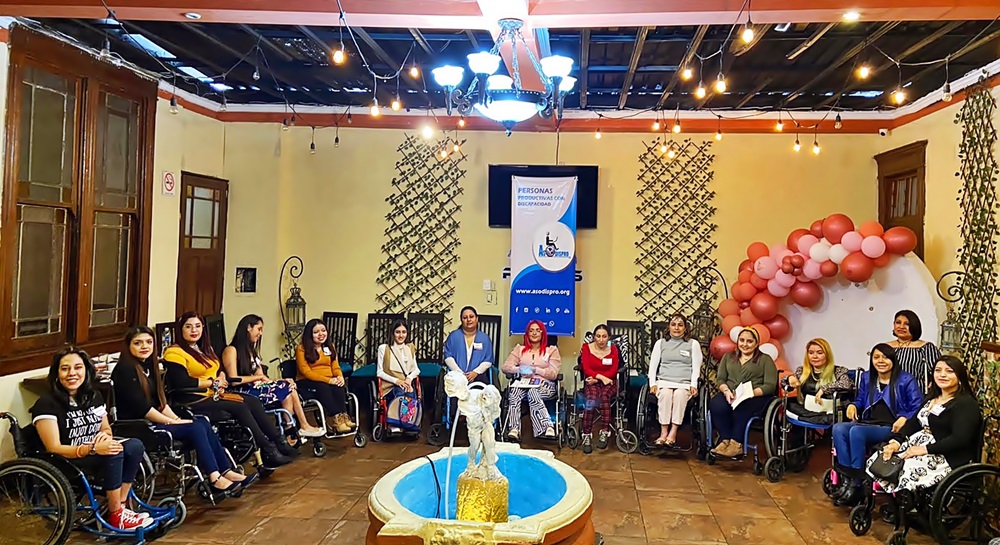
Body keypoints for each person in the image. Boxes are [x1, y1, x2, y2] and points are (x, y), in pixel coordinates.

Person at [112, 326, 252, 500]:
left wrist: (176, 419)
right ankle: (214, 478)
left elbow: (160, 403)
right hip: (139, 426)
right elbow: (143, 408)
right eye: (138, 343)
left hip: (155, 420)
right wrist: (172, 423)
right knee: (195, 428)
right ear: (128, 346)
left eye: (149, 342)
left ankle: (226, 471)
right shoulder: (125, 370)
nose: (144, 347)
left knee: (201, 422)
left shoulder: (149, 367)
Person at [31, 348, 153, 530]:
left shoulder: (93, 396)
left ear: (86, 371)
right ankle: (115, 515)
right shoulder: (46, 404)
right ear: (56, 374)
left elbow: (105, 428)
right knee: (113, 453)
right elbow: (54, 447)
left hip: (94, 451)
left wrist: (105, 435)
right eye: (65, 369)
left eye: (78, 368)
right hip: (68, 459)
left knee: (134, 446)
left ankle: (121, 506)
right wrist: (93, 449)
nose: (72, 373)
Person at [163, 312, 294, 467]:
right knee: (239, 405)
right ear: (181, 329)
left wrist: (221, 377)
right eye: (188, 327)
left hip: (215, 394)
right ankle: (267, 449)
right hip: (193, 399)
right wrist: (211, 383)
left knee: (252, 401)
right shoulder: (174, 352)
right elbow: (182, 382)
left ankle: (279, 442)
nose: (194, 330)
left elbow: (218, 368)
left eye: (198, 326)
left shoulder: (204, 348)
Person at [869, 355, 981, 493]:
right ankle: (896, 503)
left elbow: (959, 439)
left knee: (907, 468)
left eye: (949, 371)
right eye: (938, 370)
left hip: (944, 454)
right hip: (916, 445)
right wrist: (896, 442)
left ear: (960, 377)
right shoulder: (932, 398)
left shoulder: (965, 404)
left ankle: (906, 505)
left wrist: (924, 449)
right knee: (880, 459)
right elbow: (914, 423)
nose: (942, 375)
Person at [831, 343, 922, 506]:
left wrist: (905, 417)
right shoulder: (867, 377)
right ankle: (847, 480)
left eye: (885, 357)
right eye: (876, 357)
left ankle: (857, 484)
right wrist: (853, 405)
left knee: (856, 432)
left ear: (893, 359)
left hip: (891, 427)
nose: (881, 361)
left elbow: (918, 406)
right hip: (868, 422)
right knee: (838, 428)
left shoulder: (906, 380)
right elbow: (860, 399)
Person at [221, 314, 324, 438]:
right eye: (259, 329)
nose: (260, 334)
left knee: (289, 386)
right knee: (287, 390)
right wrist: (258, 378)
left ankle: (294, 428)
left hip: (254, 387)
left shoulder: (250, 350)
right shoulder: (231, 350)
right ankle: (294, 428)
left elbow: (261, 376)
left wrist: (279, 381)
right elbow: (234, 380)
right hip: (240, 391)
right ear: (249, 327)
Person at [709, 327, 778, 458]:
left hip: (755, 396)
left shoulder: (765, 360)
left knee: (742, 408)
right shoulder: (728, 357)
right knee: (716, 405)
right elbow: (721, 379)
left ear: (756, 343)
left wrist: (750, 393)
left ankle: (736, 444)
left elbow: (770, 385)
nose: (745, 344)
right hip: (731, 393)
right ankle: (725, 440)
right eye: (742, 340)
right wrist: (726, 391)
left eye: (749, 341)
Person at [646, 314, 702, 446]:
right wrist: (652, 384)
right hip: (664, 381)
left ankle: (673, 432)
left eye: (680, 325)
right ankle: (663, 432)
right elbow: (653, 367)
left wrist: (694, 385)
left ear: (685, 328)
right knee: (665, 394)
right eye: (673, 324)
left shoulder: (693, 344)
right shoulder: (660, 343)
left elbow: (696, 367)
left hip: (684, 383)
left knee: (679, 395)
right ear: (669, 327)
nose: (676, 328)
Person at [501, 320, 561, 441]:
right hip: (524, 383)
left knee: (533, 392)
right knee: (514, 392)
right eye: (531, 330)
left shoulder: (551, 351)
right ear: (527, 333)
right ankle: (514, 429)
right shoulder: (519, 350)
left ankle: (548, 426)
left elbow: (553, 374)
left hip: (545, 385)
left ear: (543, 333)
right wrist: (521, 370)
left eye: (537, 330)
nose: (534, 333)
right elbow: (505, 367)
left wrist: (536, 370)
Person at [296, 318, 357, 434]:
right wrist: (328, 380)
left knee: (339, 386)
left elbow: (335, 366)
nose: (321, 334)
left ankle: (343, 417)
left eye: (323, 330)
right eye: (316, 332)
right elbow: (305, 371)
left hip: (329, 380)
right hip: (307, 381)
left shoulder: (330, 346)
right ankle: (336, 418)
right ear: (310, 335)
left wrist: (339, 377)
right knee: (323, 386)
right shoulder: (302, 348)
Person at [784, 338, 853, 423]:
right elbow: (784, 384)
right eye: (811, 353)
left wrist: (824, 389)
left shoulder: (838, 370)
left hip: (830, 410)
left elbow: (846, 384)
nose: (815, 356)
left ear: (827, 355)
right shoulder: (801, 371)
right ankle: (818, 419)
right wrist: (789, 379)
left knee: (835, 416)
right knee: (788, 403)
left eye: (819, 353)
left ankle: (806, 418)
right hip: (807, 409)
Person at [579, 324, 620, 454]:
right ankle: (586, 435)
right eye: (598, 336)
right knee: (591, 399)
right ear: (594, 337)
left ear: (608, 338)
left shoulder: (613, 349)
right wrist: (600, 378)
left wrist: (598, 378)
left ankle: (605, 432)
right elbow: (586, 369)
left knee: (604, 397)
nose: (601, 340)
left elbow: (613, 371)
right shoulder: (586, 348)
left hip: (609, 382)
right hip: (593, 382)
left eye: (604, 336)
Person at [886, 310, 942, 390]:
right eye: (898, 322)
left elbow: (938, 371)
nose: (901, 327)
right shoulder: (885, 347)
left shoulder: (926, 347)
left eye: (907, 324)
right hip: (888, 394)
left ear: (914, 326)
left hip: (915, 394)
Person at [443, 306, 495, 385]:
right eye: (465, 317)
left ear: (477, 319)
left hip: (478, 376)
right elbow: (448, 357)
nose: (468, 320)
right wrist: (459, 373)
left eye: (471, 317)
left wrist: (475, 372)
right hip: (457, 376)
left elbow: (488, 360)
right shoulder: (454, 336)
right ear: (461, 320)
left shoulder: (484, 338)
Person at [376, 319, 420, 398]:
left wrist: (409, 379)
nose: (401, 335)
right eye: (398, 332)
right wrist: (397, 381)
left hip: (407, 384)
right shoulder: (384, 348)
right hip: (390, 387)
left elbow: (416, 370)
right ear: (393, 333)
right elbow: (380, 373)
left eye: (404, 332)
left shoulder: (409, 348)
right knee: (400, 394)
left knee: (411, 396)